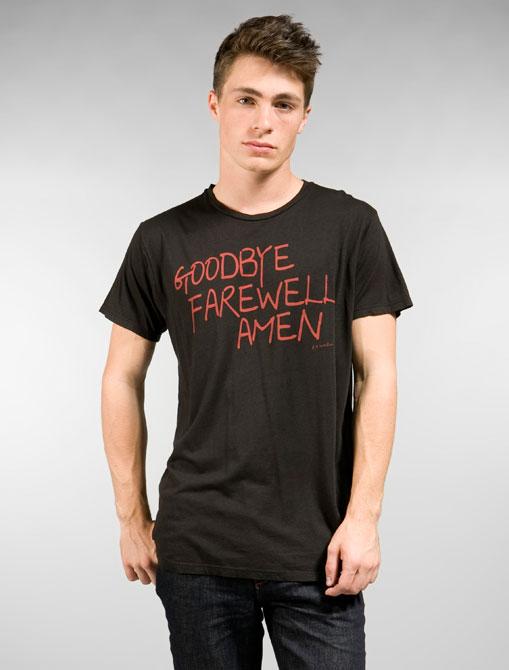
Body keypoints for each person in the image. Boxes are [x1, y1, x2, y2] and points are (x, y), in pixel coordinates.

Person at [98, 13, 413, 669]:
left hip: (319, 550)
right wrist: (131, 518)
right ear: (215, 104)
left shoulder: (350, 227)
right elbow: (121, 377)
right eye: (246, 99)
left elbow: (377, 374)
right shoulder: (162, 238)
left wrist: (364, 519)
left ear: (304, 118)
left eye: (283, 104)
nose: (263, 121)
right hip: (198, 549)